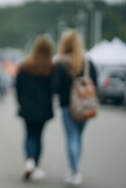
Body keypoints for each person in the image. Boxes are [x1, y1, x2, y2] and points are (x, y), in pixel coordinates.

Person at [52, 29, 97, 187]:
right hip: (85, 106)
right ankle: (75, 169)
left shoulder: (60, 63)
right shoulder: (87, 62)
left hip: (67, 106)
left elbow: (55, 86)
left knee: (71, 137)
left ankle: (75, 171)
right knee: (78, 137)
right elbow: (95, 83)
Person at [15, 36, 54, 181]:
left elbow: (18, 87)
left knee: (29, 135)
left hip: (27, 107)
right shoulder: (50, 68)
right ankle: (35, 164)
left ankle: (29, 161)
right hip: (43, 108)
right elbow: (54, 88)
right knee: (38, 136)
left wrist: (21, 102)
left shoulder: (25, 66)